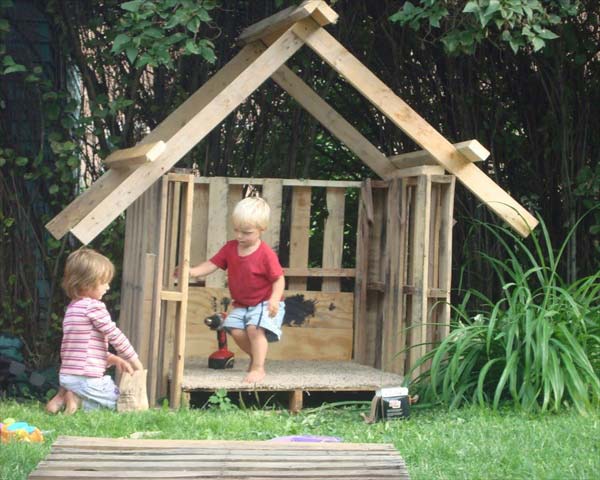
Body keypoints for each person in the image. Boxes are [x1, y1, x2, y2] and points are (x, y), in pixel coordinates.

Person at [187, 196, 285, 383]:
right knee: (234, 329)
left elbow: (278, 279)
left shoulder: (266, 254)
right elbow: (212, 264)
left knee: (254, 330)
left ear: (261, 230)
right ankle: (257, 357)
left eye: (246, 232)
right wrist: (192, 272)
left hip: (264, 302)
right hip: (242, 304)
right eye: (236, 230)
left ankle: (258, 367)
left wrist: (274, 299)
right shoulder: (231, 248)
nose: (240, 236)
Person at [46, 247, 143, 414]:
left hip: (68, 377)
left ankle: (64, 397)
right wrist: (134, 360)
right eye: (104, 282)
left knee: (95, 406)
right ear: (86, 284)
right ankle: (75, 398)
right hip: (85, 378)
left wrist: (116, 360)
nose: (108, 287)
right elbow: (115, 335)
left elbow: (84, 350)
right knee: (118, 404)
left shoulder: (72, 309)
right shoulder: (94, 307)